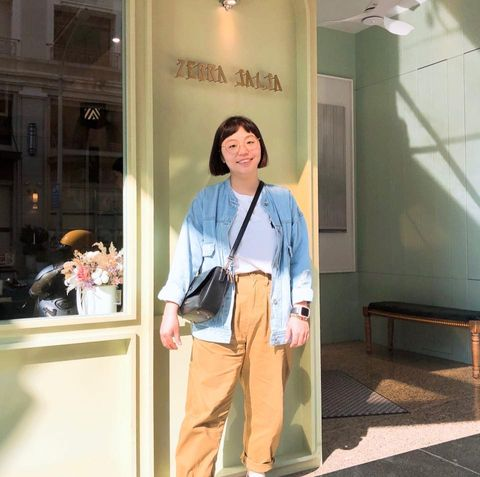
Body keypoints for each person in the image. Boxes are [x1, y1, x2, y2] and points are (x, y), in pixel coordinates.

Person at [158, 116, 313, 477]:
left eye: (250, 141)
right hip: (220, 308)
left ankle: (258, 471)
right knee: (205, 406)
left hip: (272, 304)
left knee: (267, 402)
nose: (243, 150)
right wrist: (170, 310)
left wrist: (300, 311)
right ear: (221, 155)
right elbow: (186, 256)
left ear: (260, 148)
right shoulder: (207, 200)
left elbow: (300, 259)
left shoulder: (283, 200)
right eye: (232, 145)